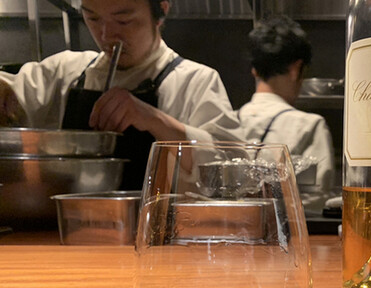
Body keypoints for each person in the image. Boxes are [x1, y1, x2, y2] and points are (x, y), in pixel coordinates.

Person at [0, 0, 243, 190]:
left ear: (161, 11)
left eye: (123, 21)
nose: (106, 36)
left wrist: (156, 120)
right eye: (93, 18)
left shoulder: (194, 81)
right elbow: (11, 94)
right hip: (70, 227)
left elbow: (235, 173)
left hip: (156, 234)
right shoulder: (65, 72)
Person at [238, 16, 335, 215]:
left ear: (255, 70)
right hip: (285, 232)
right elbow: (314, 202)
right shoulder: (309, 126)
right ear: (296, 69)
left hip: (229, 229)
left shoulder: (228, 121)